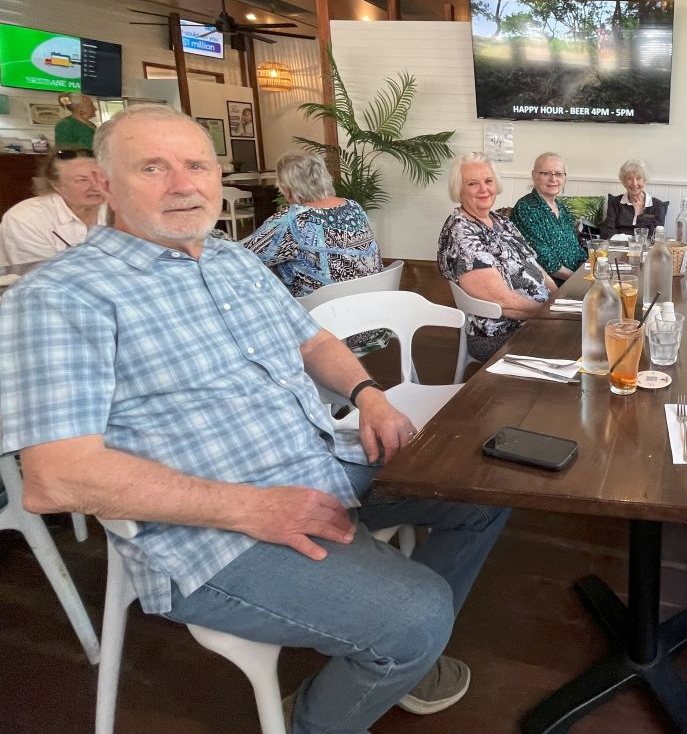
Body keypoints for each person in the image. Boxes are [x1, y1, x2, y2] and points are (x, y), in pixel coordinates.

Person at [0, 106, 508, 732]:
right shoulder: (60, 296)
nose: (182, 184)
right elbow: (56, 477)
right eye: (152, 167)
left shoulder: (231, 259)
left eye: (196, 165)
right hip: (214, 534)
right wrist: (251, 508)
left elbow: (311, 341)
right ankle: (332, 707)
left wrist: (369, 395)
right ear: (105, 184)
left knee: (486, 490)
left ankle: (392, 648)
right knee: (420, 615)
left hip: (322, 463)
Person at [438, 152, 557, 362]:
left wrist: (558, 298)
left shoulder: (501, 221)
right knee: (575, 342)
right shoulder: (461, 231)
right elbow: (503, 302)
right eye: (473, 183)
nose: (484, 189)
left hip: (537, 316)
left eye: (488, 181)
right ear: (459, 189)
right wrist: (549, 313)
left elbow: (534, 265)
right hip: (498, 333)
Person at [242, 151, 383, 298]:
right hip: (371, 304)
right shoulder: (354, 207)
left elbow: (242, 257)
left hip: (323, 310)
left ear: (286, 187)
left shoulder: (293, 220)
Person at [0, 148, 108, 263]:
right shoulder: (24, 219)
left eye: (100, 177)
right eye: (82, 180)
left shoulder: (118, 207)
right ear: (56, 185)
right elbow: (42, 274)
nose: (96, 186)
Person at [510, 151, 586, 281]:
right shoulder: (526, 208)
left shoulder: (561, 207)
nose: (553, 179)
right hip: (549, 286)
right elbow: (544, 260)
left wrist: (587, 269)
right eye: (546, 173)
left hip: (573, 278)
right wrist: (577, 280)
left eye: (559, 174)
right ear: (534, 176)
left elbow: (576, 248)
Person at [601, 159, 669, 237]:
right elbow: (608, 230)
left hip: (646, 247)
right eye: (629, 178)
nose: (634, 183)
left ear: (644, 181)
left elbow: (655, 234)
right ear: (623, 182)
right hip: (618, 247)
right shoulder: (615, 203)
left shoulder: (657, 205)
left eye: (638, 178)